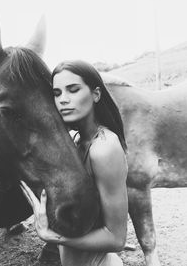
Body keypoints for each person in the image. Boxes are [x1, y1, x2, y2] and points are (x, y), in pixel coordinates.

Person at [21, 60, 128, 266]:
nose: (63, 100)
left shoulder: (104, 148)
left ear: (96, 94)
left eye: (73, 90)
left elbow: (117, 239)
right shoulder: (75, 140)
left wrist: (51, 236)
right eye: (57, 93)